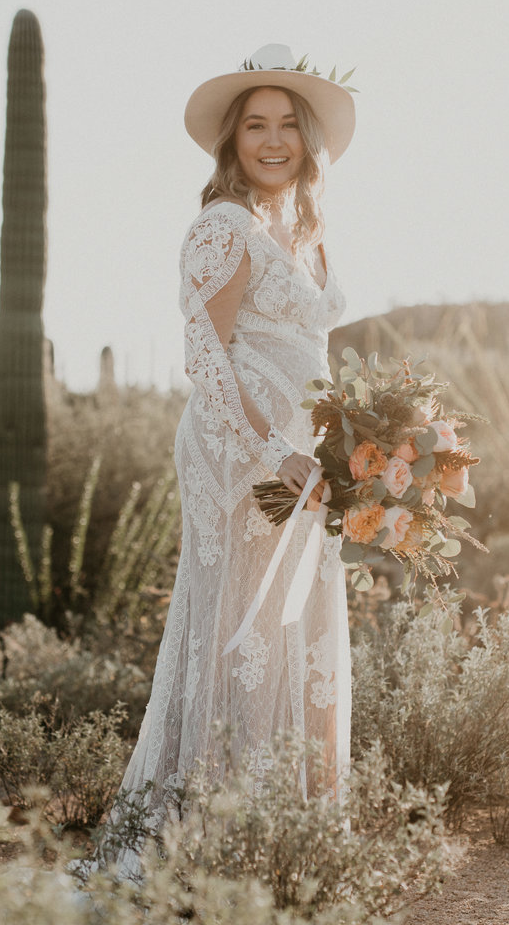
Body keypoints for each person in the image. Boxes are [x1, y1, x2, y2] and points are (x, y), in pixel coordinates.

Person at [117, 43, 356, 819]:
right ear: (233, 140)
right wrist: (269, 451)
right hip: (241, 450)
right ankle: (221, 819)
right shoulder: (223, 225)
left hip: (304, 453)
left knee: (296, 619)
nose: (274, 140)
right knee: (245, 625)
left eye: (289, 124)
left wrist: (353, 439)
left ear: (308, 140)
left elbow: (309, 347)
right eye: (256, 125)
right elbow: (205, 355)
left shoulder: (305, 228)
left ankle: (295, 817)